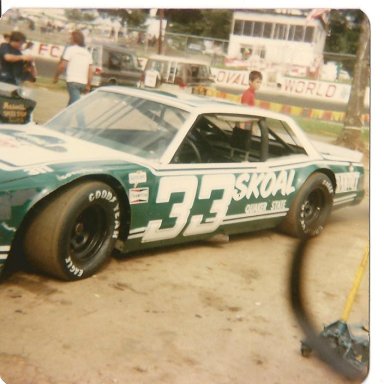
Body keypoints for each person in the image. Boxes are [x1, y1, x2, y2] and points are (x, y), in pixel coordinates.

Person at [53, 30, 93, 105]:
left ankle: (81, 117)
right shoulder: (87, 53)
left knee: (77, 107)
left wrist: (56, 76)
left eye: (71, 38)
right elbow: (90, 71)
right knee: (71, 106)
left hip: (72, 81)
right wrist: (88, 85)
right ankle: (64, 117)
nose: (70, 40)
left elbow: (62, 66)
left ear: (74, 39)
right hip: (83, 83)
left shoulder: (70, 50)